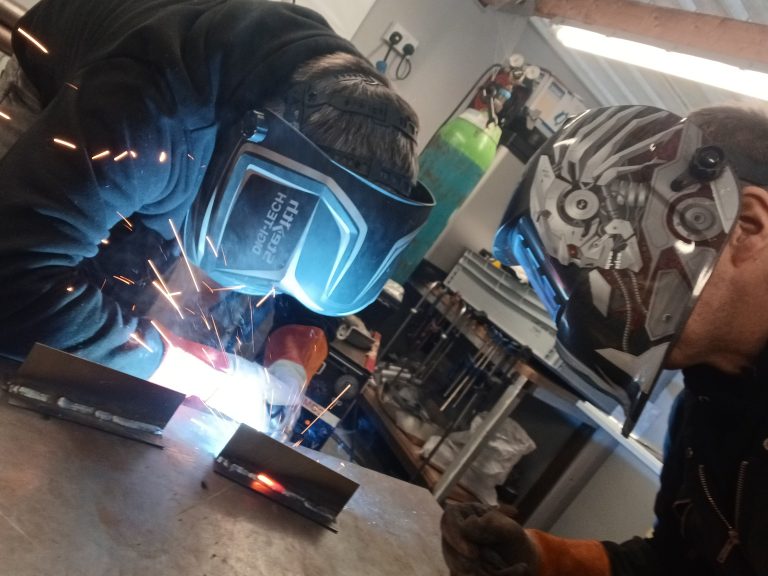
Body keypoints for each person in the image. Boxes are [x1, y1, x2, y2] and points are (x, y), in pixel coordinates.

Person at [0, 0, 433, 434]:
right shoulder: (152, 111)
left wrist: (289, 363)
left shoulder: (353, 118)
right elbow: (13, 280)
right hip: (61, 82)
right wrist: (176, 369)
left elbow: (310, 254)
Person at [441, 104, 768, 575]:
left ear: (748, 227)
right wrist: (542, 557)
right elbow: (671, 563)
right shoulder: (703, 409)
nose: (608, 298)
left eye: (629, 255)